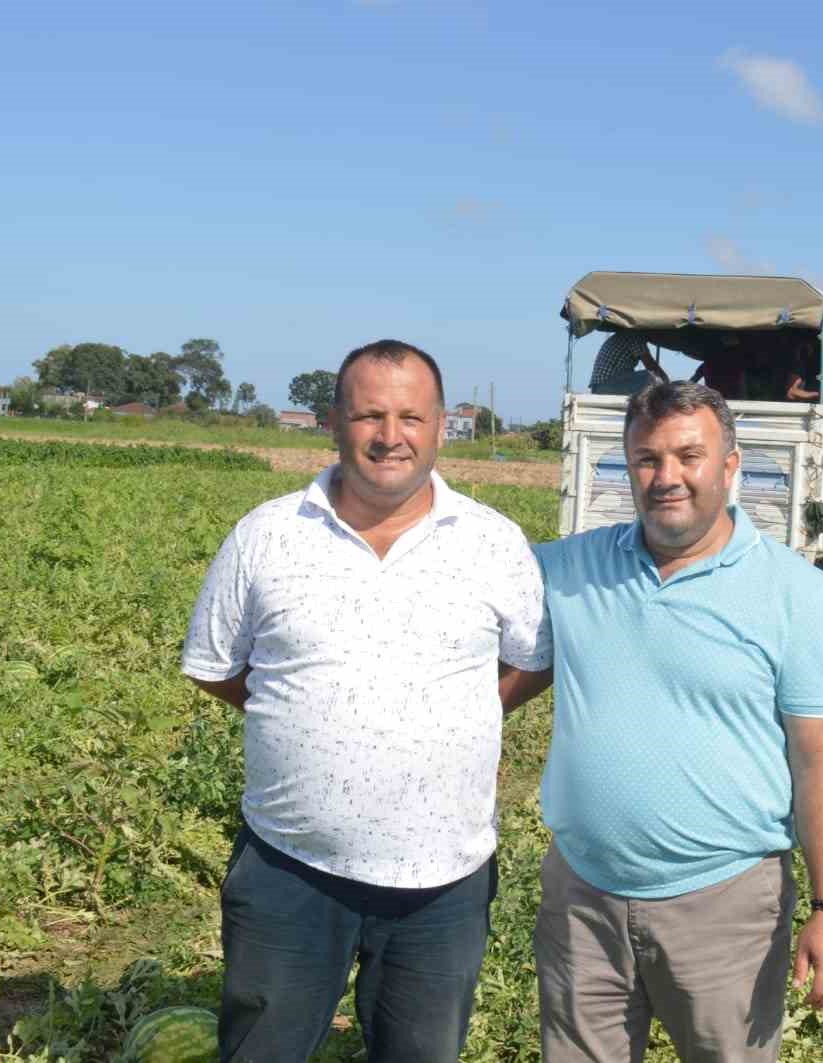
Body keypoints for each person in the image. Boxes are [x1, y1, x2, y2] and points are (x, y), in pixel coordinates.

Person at [181, 340, 551, 1063]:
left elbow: (531, 662)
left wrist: (463, 713)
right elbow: (215, 667)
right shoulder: (265, 536)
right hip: (289, 865)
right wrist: (303, 712)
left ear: (443, 425)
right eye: (370, 415)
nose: (391, 435)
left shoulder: (495, 543)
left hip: (442, 880)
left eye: (411, 416)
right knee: (262, 1050)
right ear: (334, 423)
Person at [504, 381, 823, 1062]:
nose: (667, 478)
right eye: (646, 459)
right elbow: (460, 570)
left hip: (726, 906)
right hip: (583, 896)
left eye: (689, 456)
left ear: (729, 465)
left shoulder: (796, 594)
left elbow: (819, 757)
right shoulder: (574, 566)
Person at [590, 331, 667, 395]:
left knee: (651, 378)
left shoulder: (622, 335)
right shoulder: (633, 336)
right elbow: (650, 365)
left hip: (599, 386)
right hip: (606, 385)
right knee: (650, 377)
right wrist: (667, 383)